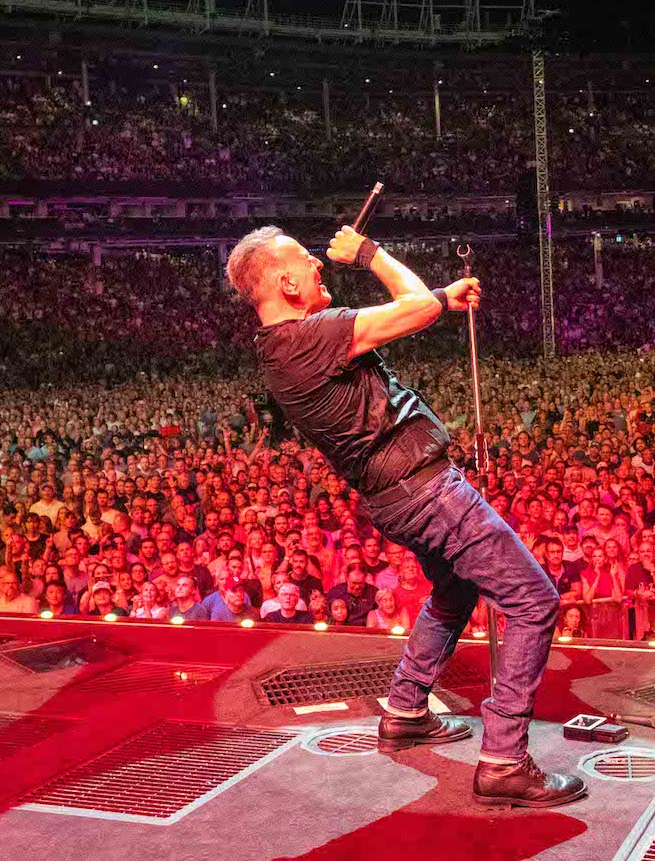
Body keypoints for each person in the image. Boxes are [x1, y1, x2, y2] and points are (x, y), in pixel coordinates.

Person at [230, 223, 584, 808]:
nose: (320, 265)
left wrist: (444, 297)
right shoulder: (308, 337)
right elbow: (416, 307)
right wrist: (369, 254)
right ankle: (503, 760)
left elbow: (426, 302)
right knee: (533, 600)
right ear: (288, 283)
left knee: (455, 588)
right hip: (427, 492)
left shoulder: (281, 348)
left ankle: (405, 709)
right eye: (307, 260)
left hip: (393, 496)